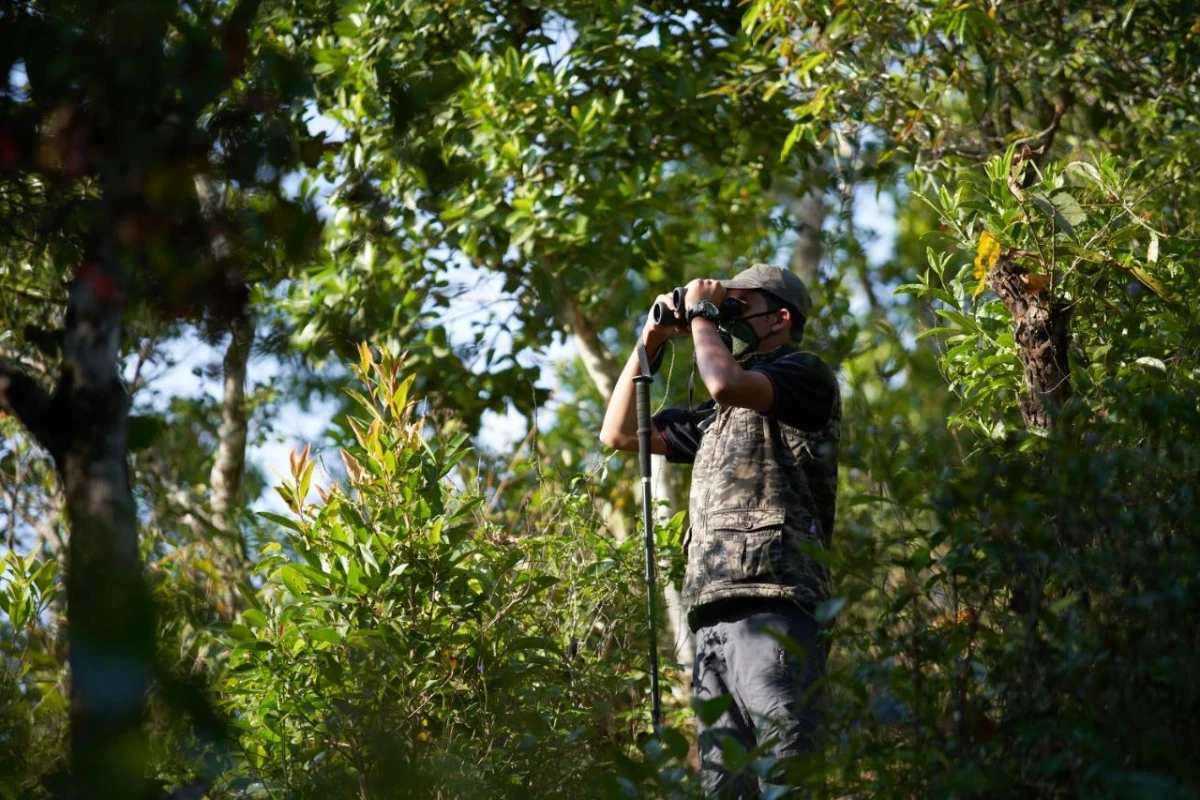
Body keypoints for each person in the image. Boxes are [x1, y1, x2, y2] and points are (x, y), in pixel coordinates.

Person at [599, 264, 840, 797]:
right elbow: (617, 432)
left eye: (739, 305)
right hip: (711, 610)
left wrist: (706, 314)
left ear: (779, 318)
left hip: (775, 602)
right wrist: (652, 338)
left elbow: (725, 381)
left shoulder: (805, 373)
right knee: (724, 787)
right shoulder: (715, 417)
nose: (726, 316)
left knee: (786, 772)